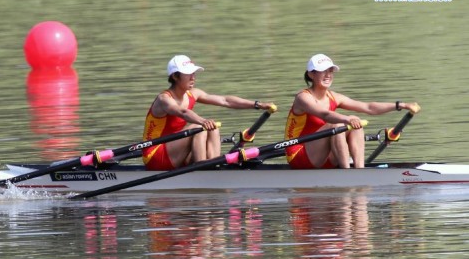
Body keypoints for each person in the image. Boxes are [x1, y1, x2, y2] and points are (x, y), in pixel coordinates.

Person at [285, 53, 420, 169]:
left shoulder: (334, 97)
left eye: (330, 71)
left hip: (324, 155)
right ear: (311, 74)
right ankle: (348, 174)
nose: (328, 75)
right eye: (323, 71)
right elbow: (325, 114)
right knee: (339, 125)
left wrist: (400, 105)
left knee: (356, 123)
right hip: (298, 155)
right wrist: (347, 119)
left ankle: (358, 169)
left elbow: (368, 108)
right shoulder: (303, 97)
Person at [142, 55, 274, 171]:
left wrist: (257, 104)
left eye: (194, 73)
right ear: (175, 76)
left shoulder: (193, 94)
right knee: (200, 128)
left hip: (175, 151)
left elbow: (225, 100)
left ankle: (213, 165)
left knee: (212, 127)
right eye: (188, 74)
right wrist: (202, 122)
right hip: (154, 155)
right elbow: (182, 112)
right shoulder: (163, 99)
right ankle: (203, 169)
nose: (193, 77)